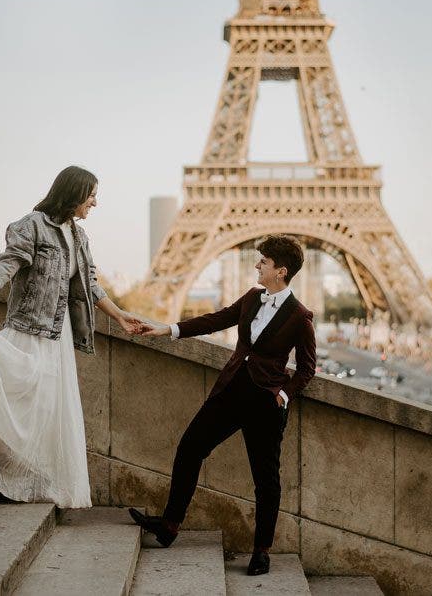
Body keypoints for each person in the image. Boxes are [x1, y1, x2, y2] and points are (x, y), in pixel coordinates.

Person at [0, 166, 145, 506]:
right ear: (74, 193)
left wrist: (120, 316)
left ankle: (21, 477)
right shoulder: (32, 226)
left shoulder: (80, 238)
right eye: (92, 195)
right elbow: (8, 264)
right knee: (12, 399)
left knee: (45, 408)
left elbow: (89, 284)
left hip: (57, 333)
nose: (95, 202)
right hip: (29, 328)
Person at [129, 235, 316, 577]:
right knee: (190, 447)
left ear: (281, 271)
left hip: (264, 401)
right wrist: (167, 329)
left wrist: (283, 395)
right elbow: (215, 320)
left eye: (264, 262)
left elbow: (306, 368)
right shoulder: (252, 298)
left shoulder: (300, 317)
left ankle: (262, 550)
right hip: (231, 391)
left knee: (266, 479)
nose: (257, 265)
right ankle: (170, 525)